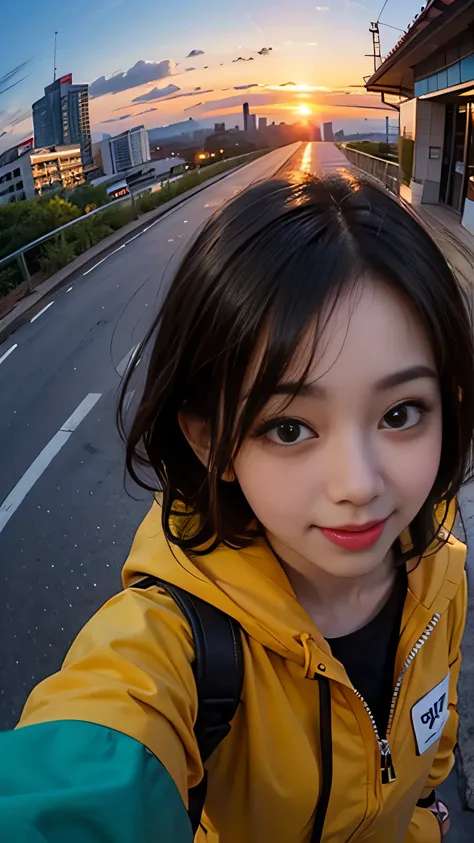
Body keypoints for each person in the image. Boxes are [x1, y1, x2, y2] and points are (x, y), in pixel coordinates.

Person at [0, 174, 473, 843]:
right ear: (211, 441)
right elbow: (81, 776)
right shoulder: (178, 647)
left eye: (400, 413)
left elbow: (437, 729)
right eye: (288, 428)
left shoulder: (440, 570)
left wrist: (427, 808)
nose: (359, 484)